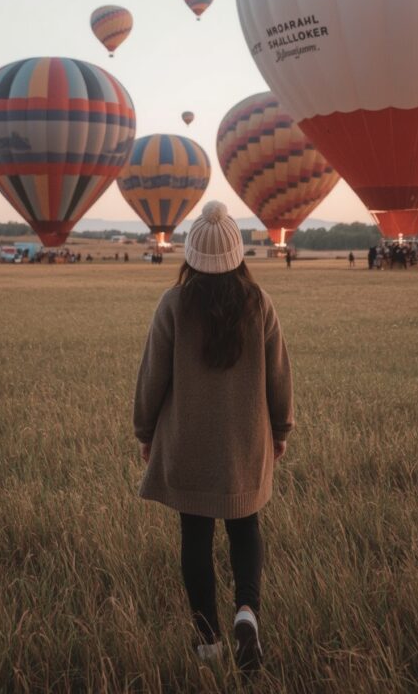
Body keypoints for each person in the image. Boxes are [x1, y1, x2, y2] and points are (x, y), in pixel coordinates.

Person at [133, 201, 293, 671]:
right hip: (246, 441)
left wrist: (144, 432)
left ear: (190, 256)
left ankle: (208, 642)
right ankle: (247, 612)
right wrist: (280, 429)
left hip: (189, 443)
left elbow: (152, 377)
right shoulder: (259, 302)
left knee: (194, 536)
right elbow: (280, 375)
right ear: (239, 254)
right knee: (246, 528)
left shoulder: (173, 304)